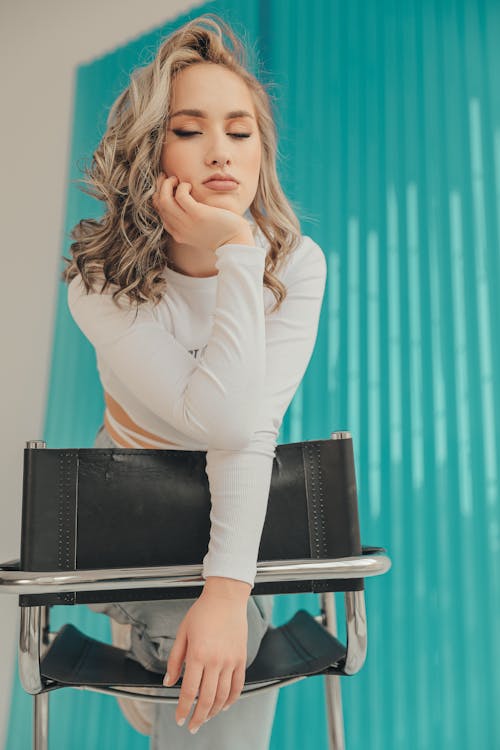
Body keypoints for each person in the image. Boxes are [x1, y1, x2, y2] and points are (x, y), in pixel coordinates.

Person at [62, 12, 327, 750]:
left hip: (233, 505)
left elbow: (247, 431)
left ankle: (157, 678)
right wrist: (237, 256)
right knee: (226, 643)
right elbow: (219, 422)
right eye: (190, 129)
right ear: (151, 151)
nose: (221, 152)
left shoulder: (298, 262)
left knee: (228, 632)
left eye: (240, 132)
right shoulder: (98, 281)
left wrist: (226, 589)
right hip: (136, 513)